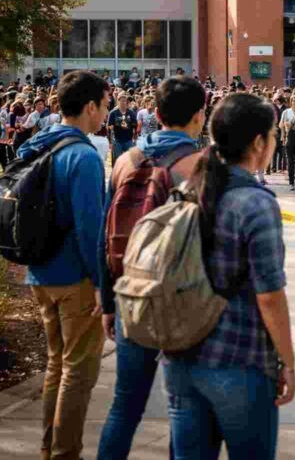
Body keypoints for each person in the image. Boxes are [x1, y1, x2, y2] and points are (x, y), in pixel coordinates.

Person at [162, 92, 295, 459]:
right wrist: (287, 361)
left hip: (181, 358)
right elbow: (269, 295)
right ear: (258, 143)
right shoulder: (256, 203)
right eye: (271, 136)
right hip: (240, 361)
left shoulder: (188, 188)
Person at [97, 75, 206, 460]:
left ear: (155, 114)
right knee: (185, 410)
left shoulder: (126, 160)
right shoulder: (201, 167)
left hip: (131, 293)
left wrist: (107, 301)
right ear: (200, 116)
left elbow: (104, 232)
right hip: (183, 302)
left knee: (125, 406)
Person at [20, 70, 109, 460]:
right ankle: (64, 453)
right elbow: (93, 231)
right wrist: (102, 285)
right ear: (90, 107)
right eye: (105, 106)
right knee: (78, 372)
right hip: (77, 280)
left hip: (39, 272)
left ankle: (49, 448)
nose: (105, 114)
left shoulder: (38, 145)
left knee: (57, 366)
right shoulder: (84, 157)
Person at [107, 93, 137, 163]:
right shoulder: (113, 113)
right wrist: (110, 141)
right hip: (117, 140)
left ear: (127, 102)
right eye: (121, 100)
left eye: (125, 101)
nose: (123, 102)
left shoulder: (131, 113)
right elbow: (109, 127)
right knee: (117, 161)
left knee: (129, 161)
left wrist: (135, 138)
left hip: (128, 140)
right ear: (118, 101)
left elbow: (135, 126)